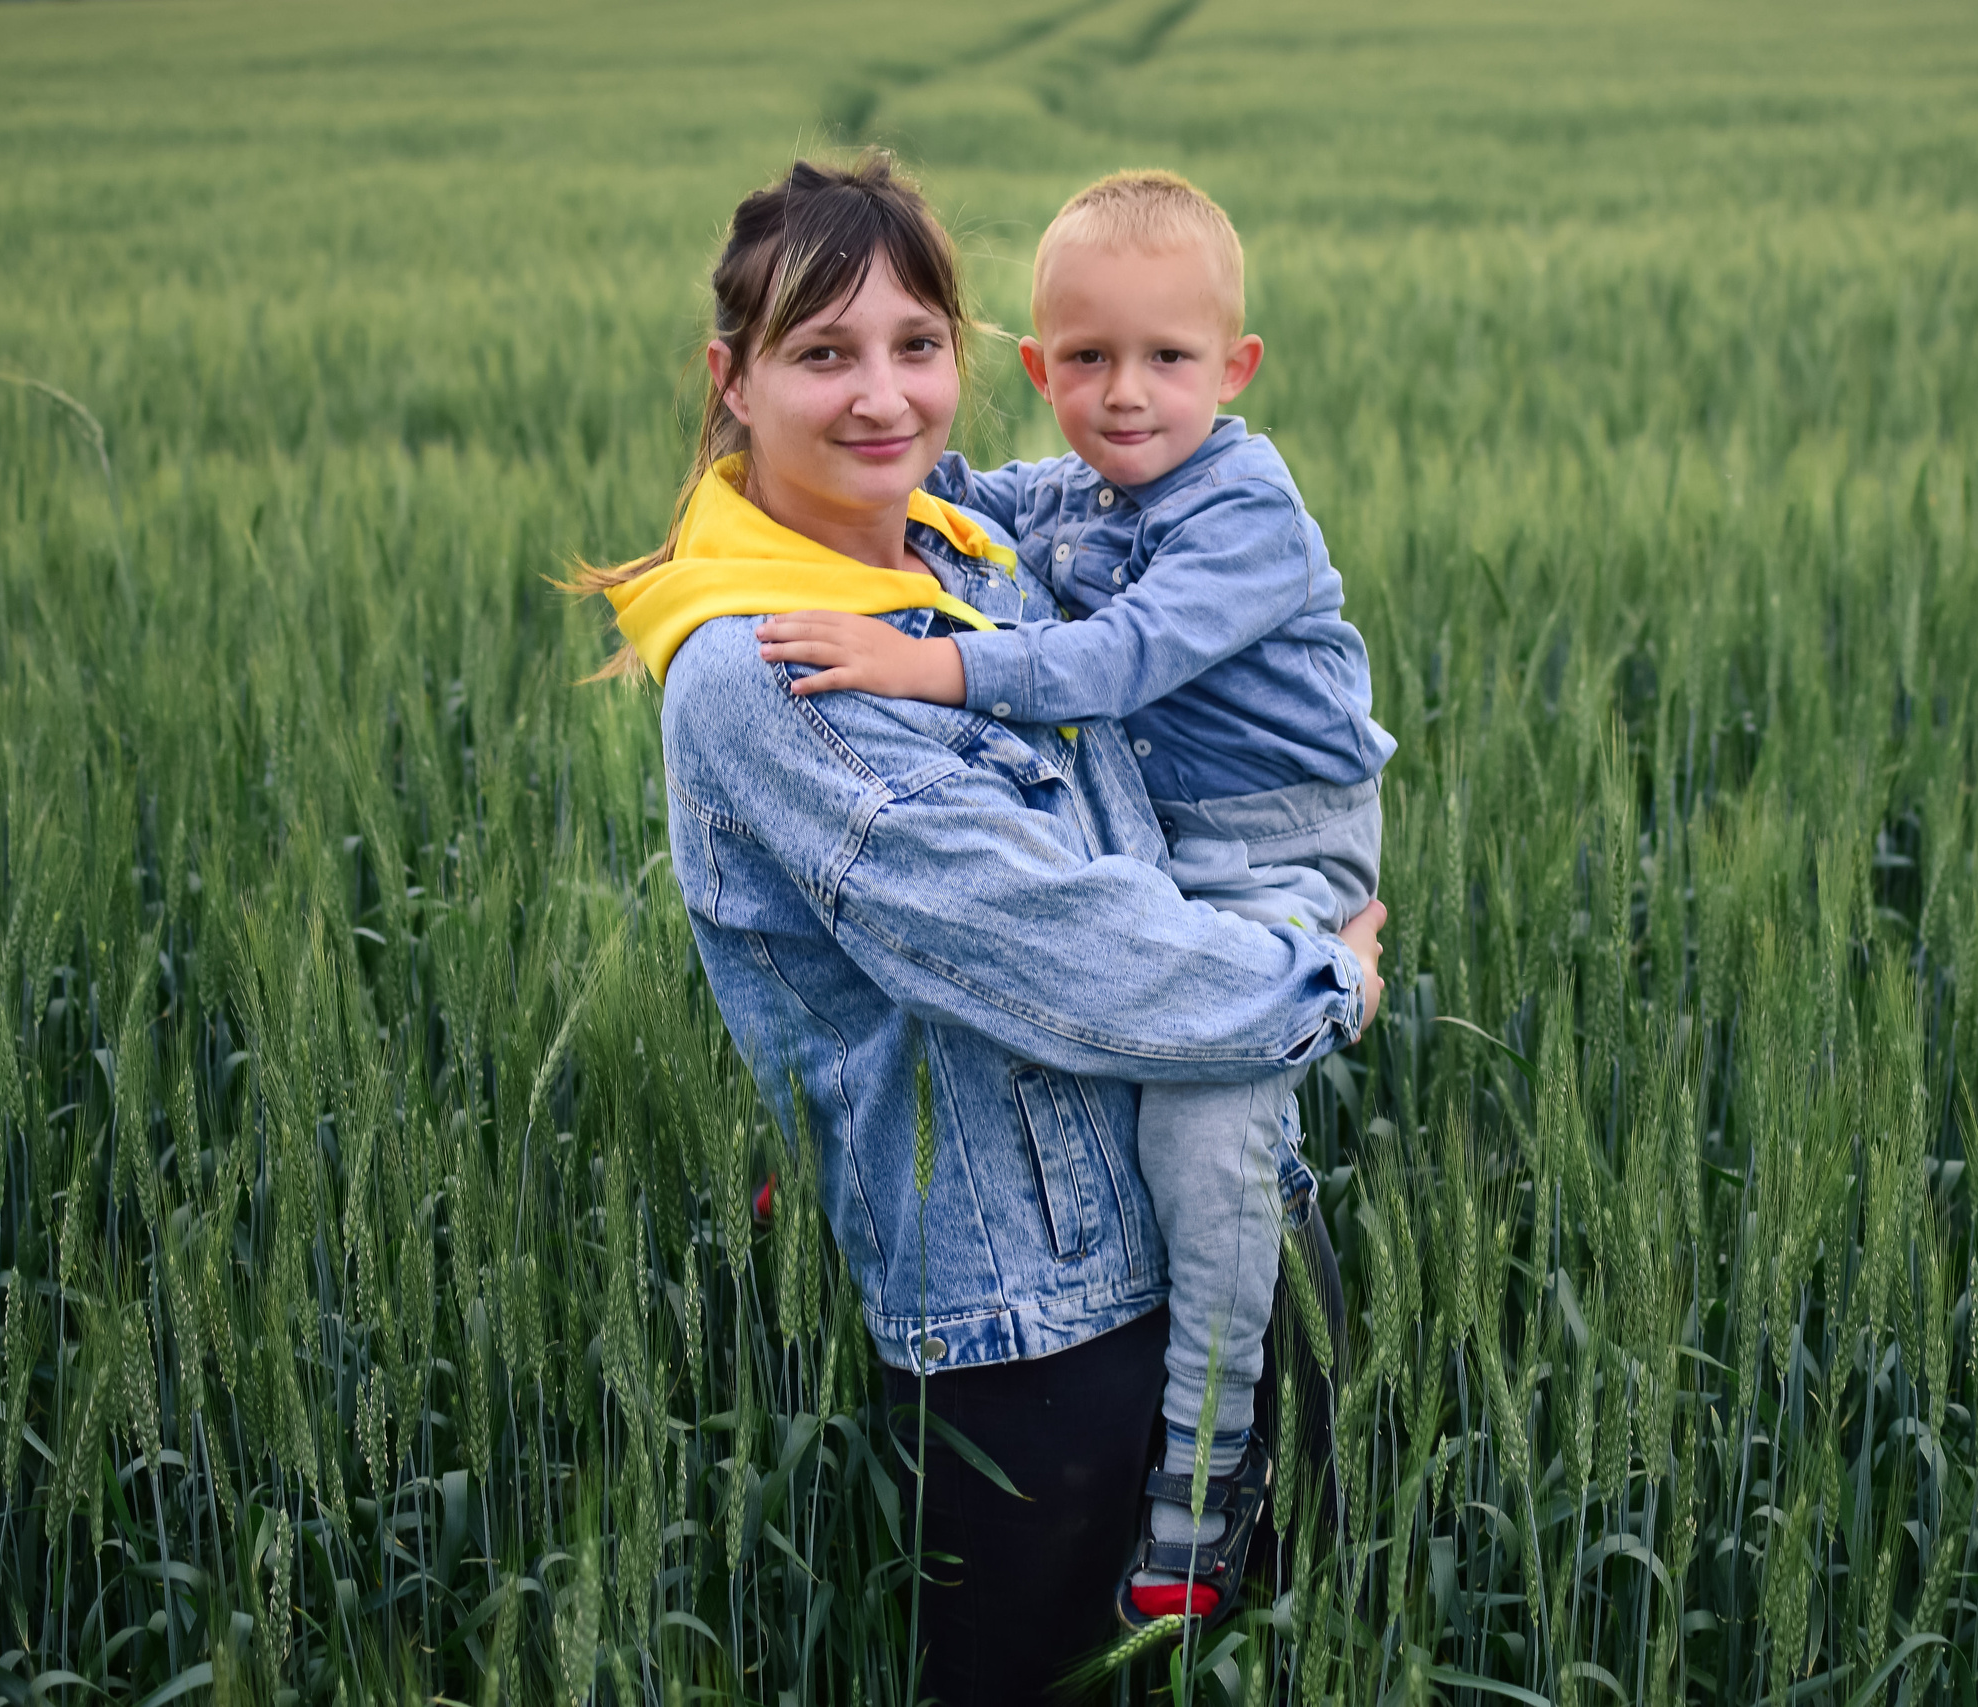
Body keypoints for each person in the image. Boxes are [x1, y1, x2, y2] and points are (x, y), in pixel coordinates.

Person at [578, 154, 1383, 1703]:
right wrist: (1320, 983)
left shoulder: (958, 554)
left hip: (1209, 1217)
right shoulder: (763, 672)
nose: (883, 395)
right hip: (1044, 1327)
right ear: (732, 383)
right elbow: (1054, 942)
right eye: (824, 353)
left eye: (915, 345)